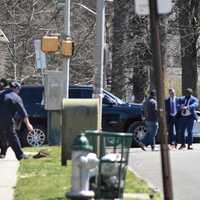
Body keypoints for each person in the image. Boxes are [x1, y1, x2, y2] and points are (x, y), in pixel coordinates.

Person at [0, 81, 33, 160]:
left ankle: (3, 153)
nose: (19, 92)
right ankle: (20, 155)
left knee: (3, 136)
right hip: (6, 120)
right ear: (16, 89)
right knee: (12, 137)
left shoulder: (1, 93)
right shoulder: (16, 97)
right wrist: (28, 124)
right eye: (19, 90)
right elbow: (23, 112)